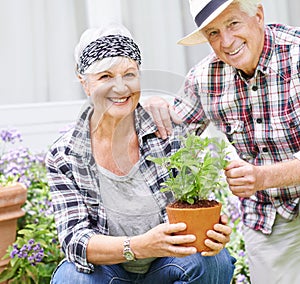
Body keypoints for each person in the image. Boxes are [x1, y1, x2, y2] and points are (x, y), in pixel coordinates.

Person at [45, 23, 235, 284]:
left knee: (213, 261)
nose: (121, 88)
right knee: (71, 278)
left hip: (166, 266)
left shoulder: (166, 131)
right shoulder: (64, 155)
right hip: (109, 272)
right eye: (105, 77)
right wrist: (139, 246)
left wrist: (215, 230)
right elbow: (75, 240)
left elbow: (195, 205)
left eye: (129, 74)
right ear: (85, 83)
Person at [144, 0, 300, 283]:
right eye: (213, 33)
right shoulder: (205, 77)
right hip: (268, 216)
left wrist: (263, 176)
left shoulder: (296, 55)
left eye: (233, 24)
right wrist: (151, 107)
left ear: (258, 15)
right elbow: (168, 138)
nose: (226, 42)